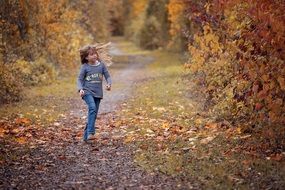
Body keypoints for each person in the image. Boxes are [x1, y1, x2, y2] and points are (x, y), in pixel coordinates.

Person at [77, 44, 112, 142]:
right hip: (87, 92)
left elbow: (107, 76)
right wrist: (80, 89)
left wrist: (109, 84)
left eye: (95, 53)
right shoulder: (85, 67)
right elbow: (79, 79)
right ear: (86, 57)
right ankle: (91, 133)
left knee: (93, 113)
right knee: (92, 108)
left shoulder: (101, 65)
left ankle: (85, 137)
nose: (94, 56)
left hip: (98, 93)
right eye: (91, 54)